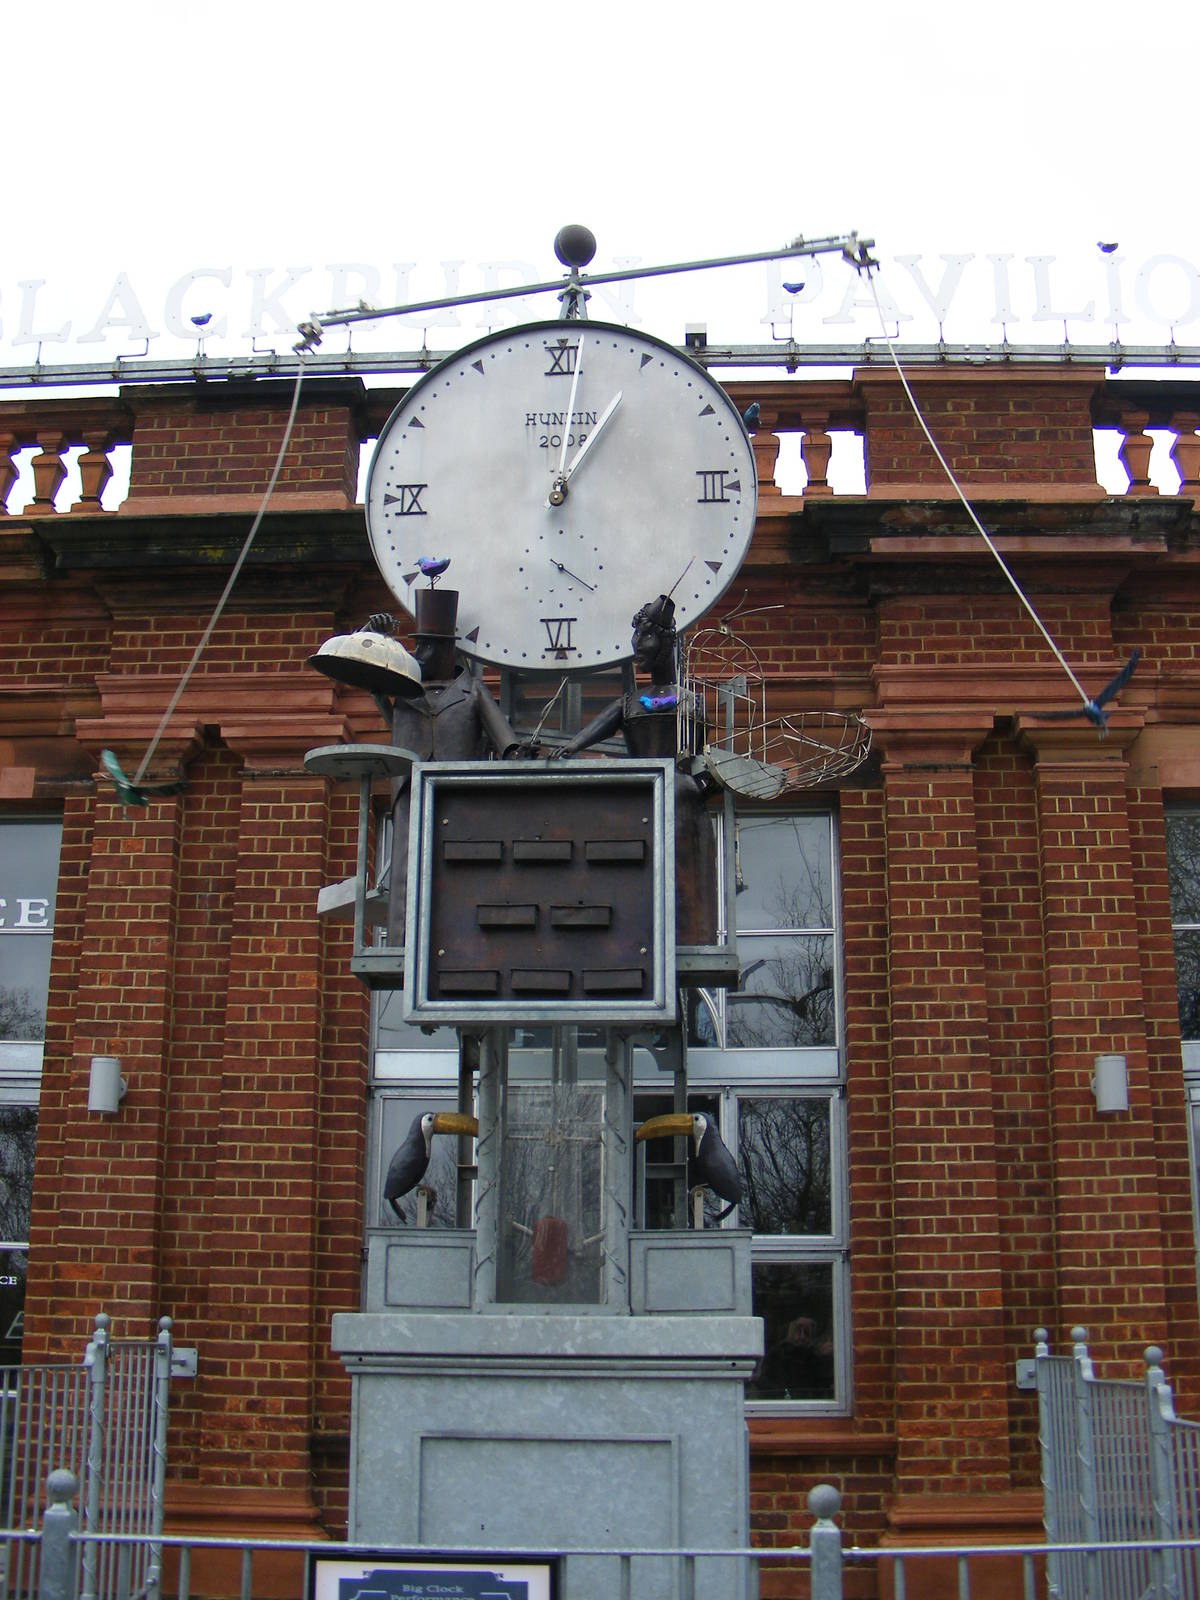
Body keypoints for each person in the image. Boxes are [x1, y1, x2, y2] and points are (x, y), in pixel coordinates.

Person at [551, 594, 718, 946]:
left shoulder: (693, 701)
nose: (636, 646)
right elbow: (584, 736)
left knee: (685, 892)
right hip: (639, 805)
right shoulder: (628, 703)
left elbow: (704, 756)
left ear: (667, 642)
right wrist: (568, 749)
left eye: (646, 637)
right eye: (636, 637)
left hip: (681, 803)